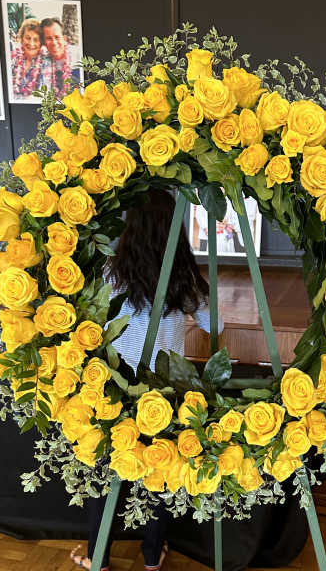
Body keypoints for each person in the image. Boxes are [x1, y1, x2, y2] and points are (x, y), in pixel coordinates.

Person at [70, 189, 223, 571]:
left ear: (130, 227)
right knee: (160, 472)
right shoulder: (184, 277)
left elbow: (93, 324)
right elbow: (215, 326)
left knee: (107, 474)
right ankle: (153, 556)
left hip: (116, 389)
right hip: (167, 392)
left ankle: (98, 557)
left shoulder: (111, 273)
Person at [40, 17, 79, 99]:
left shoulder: (78, 56)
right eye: (49, 38)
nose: (54, 42)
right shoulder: (44, 62)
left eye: (57, 37)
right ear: (44, 42)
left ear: (64, 38)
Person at [10, 18, 45, 100]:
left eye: (36, 39)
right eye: (28, 38)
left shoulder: (45, 64)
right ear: (22, 39)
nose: (31, 43)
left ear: (41, 43)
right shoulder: (12, 59)